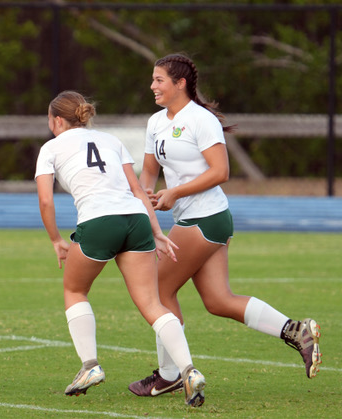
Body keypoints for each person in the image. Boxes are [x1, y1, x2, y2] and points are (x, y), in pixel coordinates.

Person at [129, 53, 321, 397]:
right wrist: (146, 198)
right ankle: (296, 330)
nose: (152, 86)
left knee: (158, 290)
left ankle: (170, 373)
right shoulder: (156, 122)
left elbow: (221, 172)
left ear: (180, 83)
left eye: (159, 80)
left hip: (206, 217)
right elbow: (148, 172)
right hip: (196, 218)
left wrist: (175, 193)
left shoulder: (200, 120)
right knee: (218, 300)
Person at [35, 90, 206, 407]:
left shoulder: (50, 148)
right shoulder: (110, 140)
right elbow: (139, 190)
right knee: (153, 304)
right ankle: (189, 370)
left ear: (57, 120)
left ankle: (90, 365)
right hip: (136, 220)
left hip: (99, 222)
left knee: (75, 290)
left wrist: (56, 240)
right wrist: (156, 231)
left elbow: (45, 200)